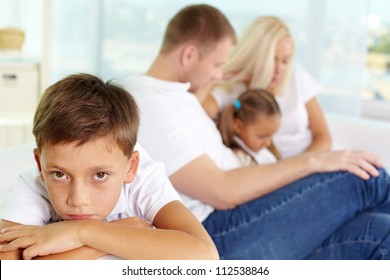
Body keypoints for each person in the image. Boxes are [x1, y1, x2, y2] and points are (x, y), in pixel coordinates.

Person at [125, 3, 390, 260]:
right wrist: (313, 161)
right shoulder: (151, 105)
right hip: (219, 231)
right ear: (189, 55)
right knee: (367, 177)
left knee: (378, 233)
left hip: (239, 216)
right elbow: (222, 191)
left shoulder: (178, 95)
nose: (219, 74)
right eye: (217, 65)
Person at [0, 73, 218, 260]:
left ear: (130, 167)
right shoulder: (35, 183)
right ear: (40, 164)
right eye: (60, 174)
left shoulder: (144, 177)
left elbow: (204, 255)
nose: (78, 200)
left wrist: (81, 232)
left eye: (100, 175)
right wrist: (104, 239)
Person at [200, 16, 332, 159]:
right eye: (272, 59)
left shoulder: (297, 78)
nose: (279, 69)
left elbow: (324, 137)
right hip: (284, 173)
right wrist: (221, 73)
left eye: (285, 61)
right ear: (255, 56)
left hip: (316, 161)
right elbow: (196, 112)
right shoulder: (232, 91)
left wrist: (299, 166)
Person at [217, 88, 281, 165]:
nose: (268, 143)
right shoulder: (238, 159)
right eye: (262, 137)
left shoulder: (265, 151)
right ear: (238, 126)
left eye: (271, 135)